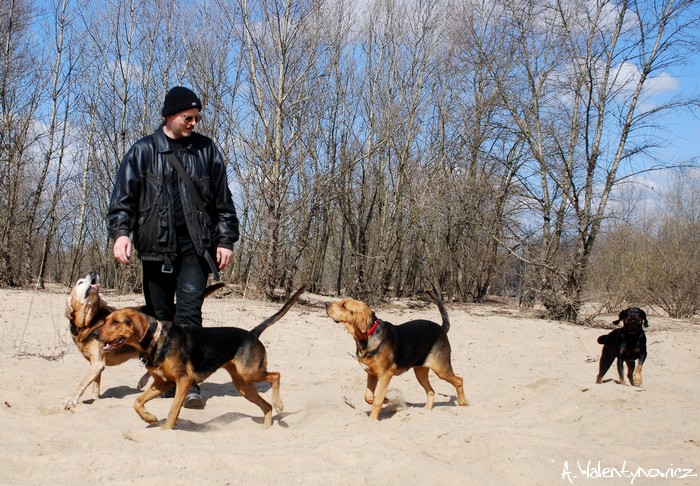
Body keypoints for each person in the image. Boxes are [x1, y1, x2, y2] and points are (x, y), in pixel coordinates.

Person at [108, 86, 240, 409]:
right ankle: (165, 378)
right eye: (188, 117)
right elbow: (122, 201)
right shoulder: (142, 151)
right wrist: (121, 234)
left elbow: (224, 203)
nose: (194, 122)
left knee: (190, 314)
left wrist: (225, 240)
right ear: (170, 116)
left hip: (196, 247)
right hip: (154, 249)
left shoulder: (207, 151)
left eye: (197, 117)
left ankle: (190, 383)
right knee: (159, 317)